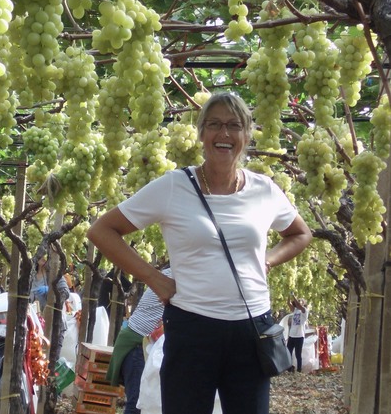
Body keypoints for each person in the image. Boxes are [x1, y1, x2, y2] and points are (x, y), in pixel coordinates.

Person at [87, 92, 312, 414]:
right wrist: (154, 278)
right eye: (214, 124)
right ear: (201, 133)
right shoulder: (174, 186)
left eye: (234, 125)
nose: (224, 133)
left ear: (247, 135)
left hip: (252, 329)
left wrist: (268, 260)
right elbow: (102, 231)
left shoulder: (264, 189)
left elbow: (300, 233)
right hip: (192, 328)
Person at [107, 268, 171, 414]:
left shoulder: (169, 274)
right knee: (137, 405)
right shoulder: (177, 279)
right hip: (137, 345)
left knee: (140, 403)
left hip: (138, 343)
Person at [287, 293, 309, 373]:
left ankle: (299, 370)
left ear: (303, 303)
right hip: (292, 335)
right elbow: (288, 303)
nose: (298, 301)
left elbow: (298, 305)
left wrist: (293, 296)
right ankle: (290, 368)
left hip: (299, 336)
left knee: (298, 354)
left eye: (301, 301)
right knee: (288, 352)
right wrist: (288, 295)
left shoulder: (304, 311)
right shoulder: (295, 310)